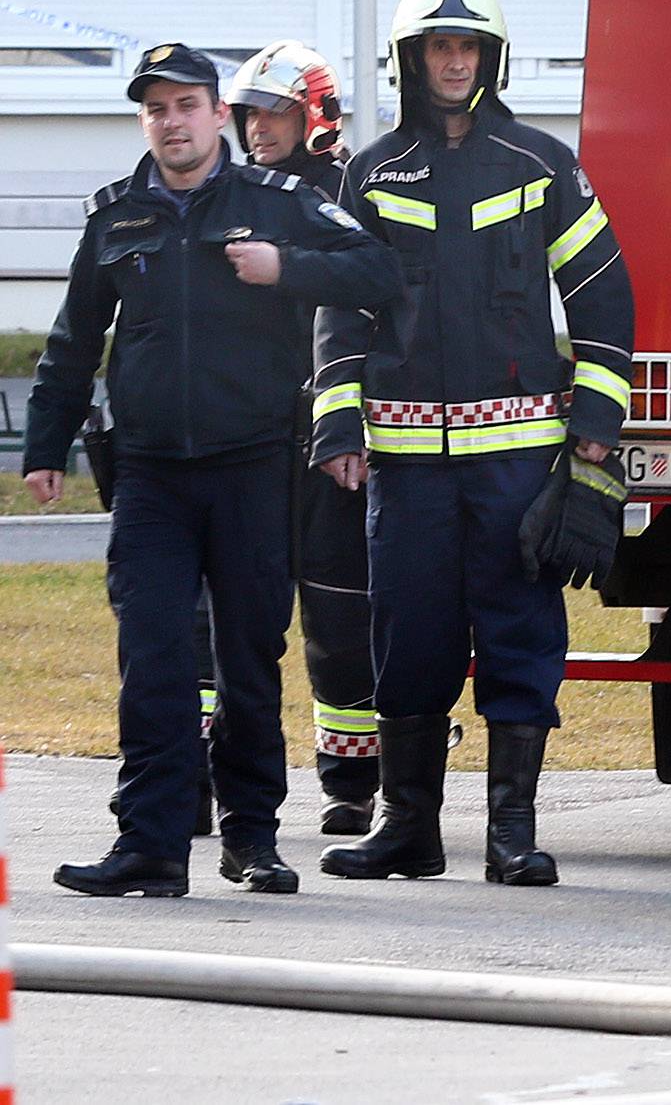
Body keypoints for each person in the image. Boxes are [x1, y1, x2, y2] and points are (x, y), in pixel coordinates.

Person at [22, 44, 402, 898]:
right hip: (151, 475)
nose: (172, 121)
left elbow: (379, 269)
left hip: (252, 468)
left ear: (217, 115)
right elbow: (73, 341)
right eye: (156, 108)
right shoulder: (116, 215)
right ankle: (149, 846)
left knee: (247, 656)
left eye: (187, 104)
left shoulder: (278, 202)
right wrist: (45, 447)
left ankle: (253, 839)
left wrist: (287, 268)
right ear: (145, 120)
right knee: (154, 654)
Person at [311, 0, 635, 887]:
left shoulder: (540, 164)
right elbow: (342, 307)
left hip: (517, 462)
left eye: (468, 48)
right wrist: (338, 421)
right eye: (437, 48)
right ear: (411, 60)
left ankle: (511, 836)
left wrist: (596, 425)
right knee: (406, 639)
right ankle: (407, 828)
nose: (453, 62)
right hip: (407, 466)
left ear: (489, 58)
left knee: (520, 633)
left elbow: (602, 292)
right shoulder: (371, 171)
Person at [230, 39, 380, 834]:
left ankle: (351, 782)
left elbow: (367, 297)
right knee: (234, 615)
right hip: (249, 438)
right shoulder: (232, 194)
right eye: (251, 114)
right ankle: (207, 772)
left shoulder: (346, 197)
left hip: (326, 439)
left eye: (276, 112)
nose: (260, 129)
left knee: (337, 613)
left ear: (312, 115)